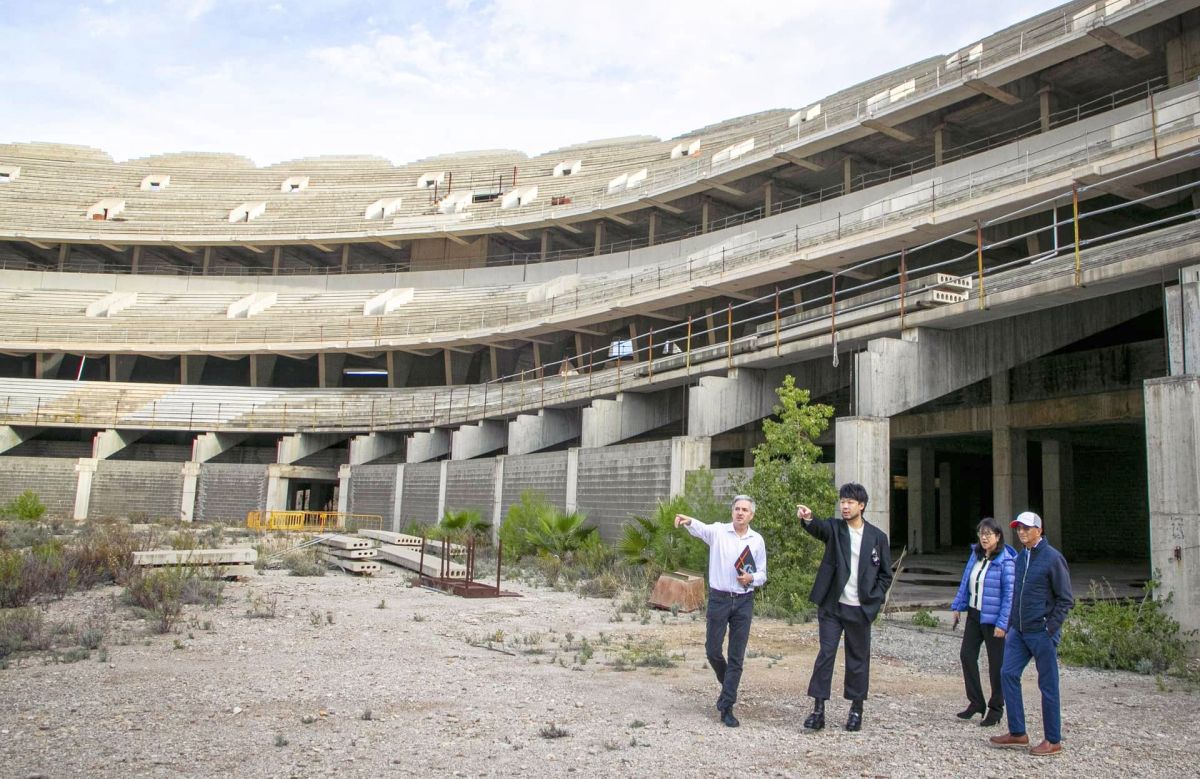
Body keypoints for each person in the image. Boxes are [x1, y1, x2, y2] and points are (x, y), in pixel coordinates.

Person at [795, 482, 893, 732]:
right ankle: (818, 711)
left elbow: (885, 575)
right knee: (826, 654)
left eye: (850, 502)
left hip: (860, 609)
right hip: (832, 606)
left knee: (858, 659)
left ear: (861, 506)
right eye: (842, 501)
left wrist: (874, 597)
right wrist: (808, 518)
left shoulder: (877, 538)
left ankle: (856, 710)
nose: (845, 506)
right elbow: (818, 528)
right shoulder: (835, 529)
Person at [675, 495, 767, 728]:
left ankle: (727, 705)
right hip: (720, 599)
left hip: (744, 601)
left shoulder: (756, 540)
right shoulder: (718, 532)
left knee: (737, 655)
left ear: (751, 515)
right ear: (732, 512)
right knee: (713, 650)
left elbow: (762, 574)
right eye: (737, 508)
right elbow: (700, 528)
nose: (740, 513)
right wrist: (688, 521)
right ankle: (728, 685)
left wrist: (751, 578)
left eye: (745, 510)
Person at [989, 511, 1074, 757]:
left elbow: (1065, 599)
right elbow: (1015, 593)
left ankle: (1053, 739)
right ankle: (1018, 732)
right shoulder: (1020, 558)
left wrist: (1050, 628)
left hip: (1041, 632)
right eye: (1018, 529)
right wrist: (1012, 623)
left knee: (1047, 684)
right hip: (1020, 630)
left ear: (1039, 530)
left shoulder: (1052, 558)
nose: (1022, 532)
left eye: (1026, 528)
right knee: (1008, 673)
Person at [949, 516, 1016, 727]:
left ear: (998, 536)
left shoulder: (1005, 561)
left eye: (988, 534)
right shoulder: (975, 555)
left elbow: (1009, 595)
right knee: (967, 656)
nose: (984, 538)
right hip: (975, 614)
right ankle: (976, 702)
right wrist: (958, 606)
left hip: (993, 618)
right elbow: (966, 581)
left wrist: (1003, 624)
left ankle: (996, 709)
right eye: (981, 534)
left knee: (996, 665)